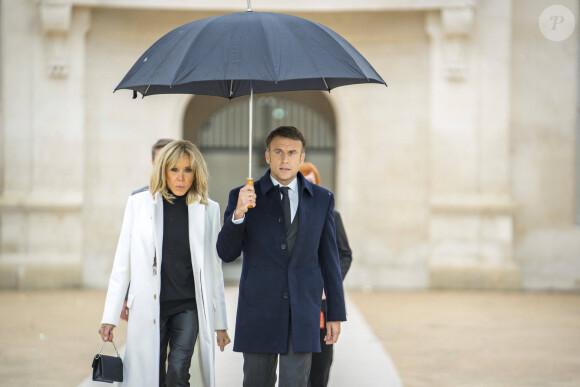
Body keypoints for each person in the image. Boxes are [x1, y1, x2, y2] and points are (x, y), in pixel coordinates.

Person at [216, 126, 346, 387]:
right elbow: (226, 253)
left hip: (303, 311)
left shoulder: (322, 200)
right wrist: (239, 213)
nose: (285, 159)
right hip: (258, 310)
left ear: (301, 157)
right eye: (278, 152)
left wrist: (334, 313)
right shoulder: (243, 196)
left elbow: (330, 260)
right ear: (267, 156)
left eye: (291, 153)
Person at [98, 140, 231, 387]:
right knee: (152, 376)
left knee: (178, 373)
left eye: (187, 170)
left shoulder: (209, 210)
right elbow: (122, 264)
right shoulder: (138, 205)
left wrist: (221, 323)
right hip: (149, 308)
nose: (180, 177)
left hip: (188, 307)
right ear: (163, 171)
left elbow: (215, 270)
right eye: (174, 170)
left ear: (196, 173)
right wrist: (110, 316)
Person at [299, 162, 353, 387]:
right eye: (305, 181)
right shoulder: (287, 217)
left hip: (321, 303)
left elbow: (344, 254)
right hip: (296, 299)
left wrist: (328, 284)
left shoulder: (331, 214)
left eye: (313, 182)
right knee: (297, 363)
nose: (309, 186)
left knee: (321, 363)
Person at [121, 138, 175, 322]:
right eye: (161, 159)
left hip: (180, 294)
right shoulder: (138, 200)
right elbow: (132, 253)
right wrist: (125, 295)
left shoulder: (194, 202)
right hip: (147, 293)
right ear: (153, 162)